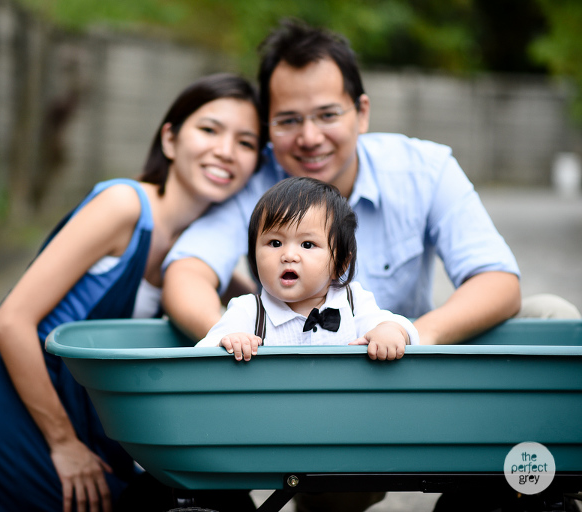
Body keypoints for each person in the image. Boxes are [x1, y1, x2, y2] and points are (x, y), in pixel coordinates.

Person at [159, 18, 548, 512]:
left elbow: (497, 280)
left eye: (327, 114)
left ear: (361, 112)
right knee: (325, 491)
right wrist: (235, 335)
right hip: (306, 407)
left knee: (550, 315)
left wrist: (408, 337)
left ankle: (505, 488)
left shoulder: (425, 168)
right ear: (267, 127)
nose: (309, 137)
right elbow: (186, 272)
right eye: (288, 120)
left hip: (412, 375)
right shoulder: (259, 184)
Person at [0, 73, 262, 512]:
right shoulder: (125, 206)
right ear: (170, 139)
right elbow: (10, 321)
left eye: (246, 143)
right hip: (8, 400)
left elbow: (252, 311)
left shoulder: (202, 248)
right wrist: (64, 445)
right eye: (209, 130)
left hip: (80, 417)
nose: (226, 151)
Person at [197, 176, 419, 360]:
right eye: (275, 243)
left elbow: (395, 325)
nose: (289, 255)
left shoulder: (353, 303)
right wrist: (230, 341)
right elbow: (204, 351)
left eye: (307, 245)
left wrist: (390, 331)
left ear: (340, 263)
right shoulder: (249, 311)